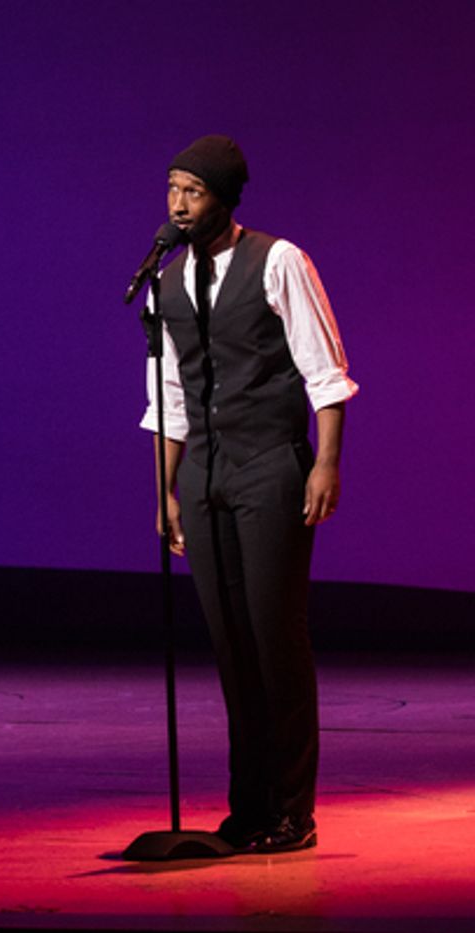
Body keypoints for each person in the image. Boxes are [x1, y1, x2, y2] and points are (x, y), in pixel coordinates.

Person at [141, 135, 357, 853]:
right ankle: (250, 804)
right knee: (231, 644)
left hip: (270, 463)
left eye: (192, 191)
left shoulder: (278, 260)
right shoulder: (167, 282)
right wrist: (165, 490)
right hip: (204, 471)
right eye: (172, 188)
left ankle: (293, 809)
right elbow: (167, 395)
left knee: (274, 636)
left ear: (225, 199)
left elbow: (323, 371)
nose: (178, 203)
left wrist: (324, 465)